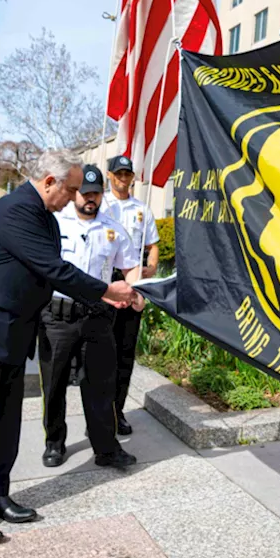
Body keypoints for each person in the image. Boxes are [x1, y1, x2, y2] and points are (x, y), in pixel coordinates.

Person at [0, 150, 139, 546]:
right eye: (72, 189)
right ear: (49, 181)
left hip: (11, 333)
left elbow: (47, 273)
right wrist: (106, 289)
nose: (75, 197)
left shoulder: (43, 215)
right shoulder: (17, 210)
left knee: (5, 420)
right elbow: (53, 268)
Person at [40, 166, 138, 470]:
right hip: (58, 316)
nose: (90, 199)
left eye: (96, 193)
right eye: (85, 192)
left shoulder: (113, 228)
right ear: (76, 193)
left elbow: (131, 265)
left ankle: (106, 448)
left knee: (100, 385)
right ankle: (54, 443)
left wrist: (132, 291)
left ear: (101, 195)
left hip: (97, 316)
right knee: (53, 384)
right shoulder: (54, 223)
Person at [101, 155, 160, 436]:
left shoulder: (142, 209)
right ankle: (98, 413)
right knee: (102, 352)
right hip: (104, 280)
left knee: (125, 351)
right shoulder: (100, 204)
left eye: (128, 174)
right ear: (109, 176)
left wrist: (151, 267)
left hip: (132, 280)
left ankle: (117, 412)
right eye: (119, 174)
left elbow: (153, 245)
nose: (123, 179)